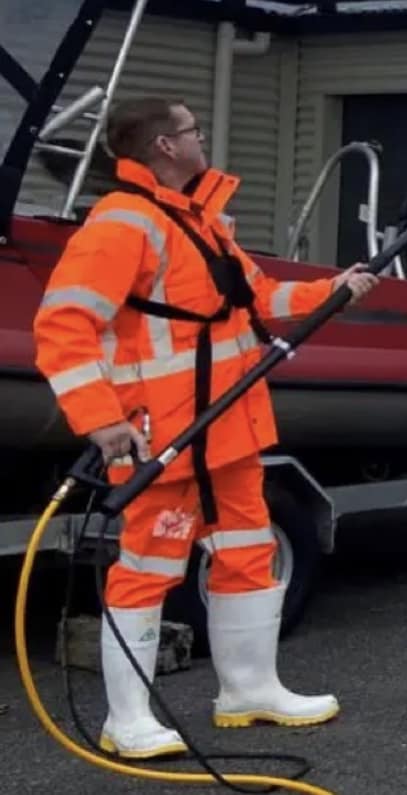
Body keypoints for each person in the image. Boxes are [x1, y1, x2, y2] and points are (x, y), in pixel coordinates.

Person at [32, 97, 379, 759]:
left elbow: (256, 299)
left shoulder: (202, 222)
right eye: (192, 129)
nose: (202, 137)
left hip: (231, 429)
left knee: (248, 555)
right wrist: (102, 420)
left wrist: (334, 289)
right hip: (164, 434)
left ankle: (248, 690)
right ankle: (126, 719)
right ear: (165, 146)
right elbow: (63, 323)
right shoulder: (123, 223)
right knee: (146, 569)